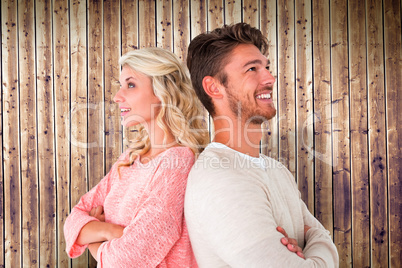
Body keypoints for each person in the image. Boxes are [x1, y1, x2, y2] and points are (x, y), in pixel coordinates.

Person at [184, 22, 339, 267]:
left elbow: (317, 234)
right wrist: (319, 242)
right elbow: (319, 237)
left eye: (266, 67)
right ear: (213, 87)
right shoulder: (219, 178)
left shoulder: (276, 170)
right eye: (252, 69)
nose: (269, 77)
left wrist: (315, 241)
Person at [64, 47, 208, 267]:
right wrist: (109, 230)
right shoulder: (130, 158)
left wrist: (94, 239)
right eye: (121, 85)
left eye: (130, 85)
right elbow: (74, 220)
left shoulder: (178, 161)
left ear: (163, 92)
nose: (116, 97)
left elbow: (126, 261)